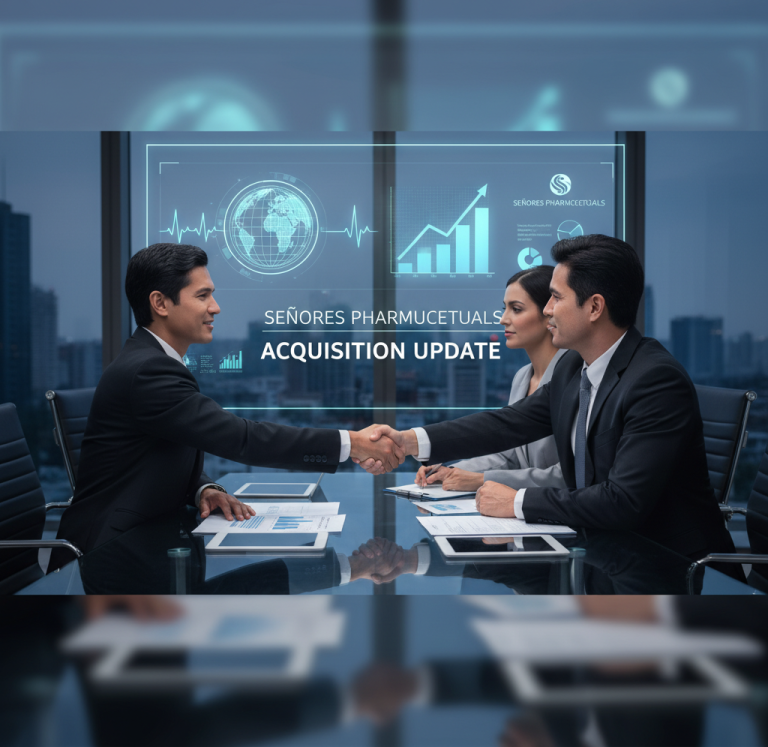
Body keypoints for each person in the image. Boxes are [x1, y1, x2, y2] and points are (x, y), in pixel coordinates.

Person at [365, 235, 737, 564]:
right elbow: (509, 424)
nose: (547, 310)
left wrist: (514, 502)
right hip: (601, 552)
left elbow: (623, 502)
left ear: (594, 307)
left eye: (556, 298)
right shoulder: (576, 365)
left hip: (672, 570)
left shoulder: (655, 381)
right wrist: (409, 440)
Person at [50, 243, 402, 570]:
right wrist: (350, 443)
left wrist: (204, 488)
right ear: (160, 303)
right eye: (202, 296)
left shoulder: (154, 361)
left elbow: (158, 454)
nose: (215, 307)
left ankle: (337, 570)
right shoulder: (148, 370)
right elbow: (240, 438)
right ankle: (337, 570)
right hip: (106, 560)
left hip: (150, 543)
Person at [415, 265, 566, 493]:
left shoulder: (574, 379)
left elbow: (570, 475)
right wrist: (454, 471)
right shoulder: (522, 377)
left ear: (549, 312)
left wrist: (481, 480)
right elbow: (510, 456)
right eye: (504, 309)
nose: (503, 319)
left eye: (516, 309)